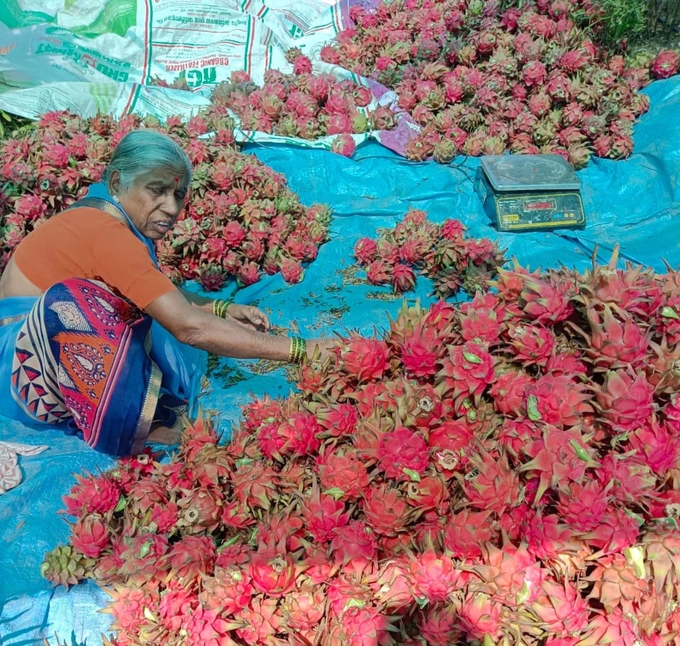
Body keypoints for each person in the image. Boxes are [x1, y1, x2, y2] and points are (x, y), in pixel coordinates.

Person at [0, 129, 332, 456]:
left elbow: (149, 284)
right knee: (81, 303)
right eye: (156, 191)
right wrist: (302, 350)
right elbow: (188, 326)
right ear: (117, 183)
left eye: (178, 195)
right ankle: (134, 427)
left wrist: (219, 308)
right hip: (20, 371)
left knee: (125, 302)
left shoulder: (109, 215)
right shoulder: (105, 233)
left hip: (30, 352)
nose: (171, 208)